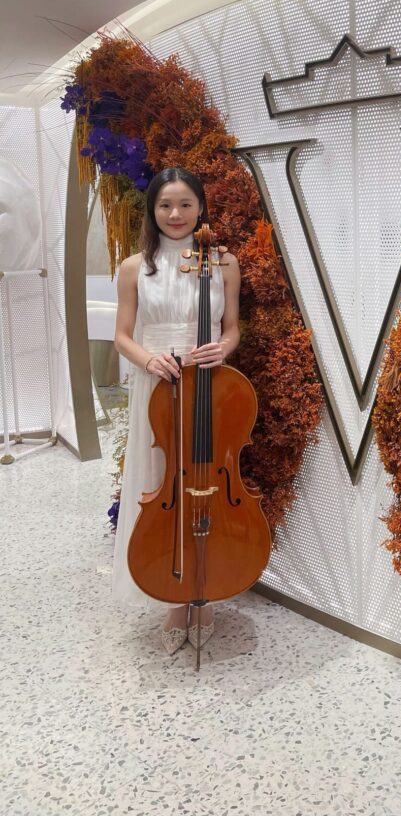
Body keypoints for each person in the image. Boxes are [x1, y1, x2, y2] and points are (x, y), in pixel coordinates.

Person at [112, 166, 242, 654]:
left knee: (206, 486)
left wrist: (222, 349)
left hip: (207, 384)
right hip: (158, 384)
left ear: (200, 207)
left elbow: (232, 327)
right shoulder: (134, 267)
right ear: (152, 210)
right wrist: (149, 359)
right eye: (165, 205)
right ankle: (172, 595)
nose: (175, 214)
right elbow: (123, 336)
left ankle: (203, 594)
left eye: (186, 204)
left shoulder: (224, 262)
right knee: (161, 485)